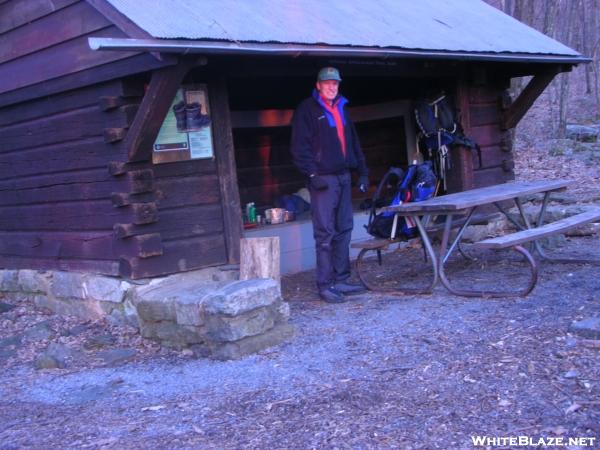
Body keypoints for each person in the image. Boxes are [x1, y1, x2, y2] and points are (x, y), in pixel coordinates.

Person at [290, 67, 369, 303]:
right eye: (327, 84)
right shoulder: (307, 110)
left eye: (335, 83)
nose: (332, 87)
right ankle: (325, 285)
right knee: (325, 233)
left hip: (344, 176)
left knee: (344, 228)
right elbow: (299, 147)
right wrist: (312, 175)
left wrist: (362, 172)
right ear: (318, 85)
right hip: (323, 179)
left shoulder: (342, 108)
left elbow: (353, 142)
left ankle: (341, 279)